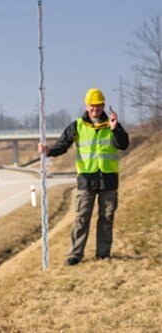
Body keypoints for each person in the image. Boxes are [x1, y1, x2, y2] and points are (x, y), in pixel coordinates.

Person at [38, 88, 129, 266]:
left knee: (107, 217)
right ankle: (75, 255)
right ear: (86, 106)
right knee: (81, 218)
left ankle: (103, 254)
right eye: (92, 105)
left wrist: (115, 128)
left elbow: (123, 145)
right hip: (86, 180)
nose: (95, 108)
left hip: (108, 179)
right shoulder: (77, 125)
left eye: (98, 105)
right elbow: (62, 146)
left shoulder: (113, 124)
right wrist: (48, 151)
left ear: (103, 105)